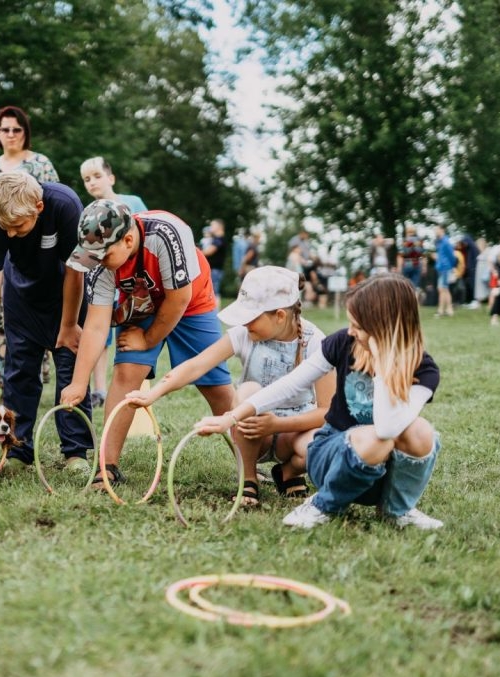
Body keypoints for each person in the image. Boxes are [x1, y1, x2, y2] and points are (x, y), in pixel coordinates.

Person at [195, 274, 444, 530]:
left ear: (383, 328)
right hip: (331, 458)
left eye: (358, 326)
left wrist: (382, 364)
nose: (351, 331)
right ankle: (322, 504)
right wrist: (231, 417)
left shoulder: (424, 370)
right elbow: (290, 384)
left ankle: (396, 510)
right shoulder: (342, 343)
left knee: (421, 431)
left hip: (380, 474)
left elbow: (388, 428)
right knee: (373, 440)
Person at [60, 200, 234, 488]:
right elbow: (95, 325)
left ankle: (251, 463)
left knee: (215, 384)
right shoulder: (99, 262)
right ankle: (108, 464)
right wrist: (80, 383)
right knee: (127, 373)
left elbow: (178, 300)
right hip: (141, 302)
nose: (97, 263)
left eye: (103, 256)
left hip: (191, 302)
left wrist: (149, 338)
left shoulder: (167, 234)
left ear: (128, 240)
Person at [126, 266, 334, 506]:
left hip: (294, 430)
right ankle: (249, 479)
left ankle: (289, 472)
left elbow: (326, 412)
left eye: (251, 318)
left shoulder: (316, 342)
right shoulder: (244, 335)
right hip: (252, 430)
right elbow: (196, 365)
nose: (245, 324)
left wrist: (277, 424)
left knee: (317, 445)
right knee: (248, 391)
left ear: (279, 316)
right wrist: (153, 393)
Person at [0, 171, 94, 473]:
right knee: (19, 372)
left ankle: (76, 452)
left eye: (17, 227)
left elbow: (77, 271)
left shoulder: (66, 205)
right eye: (4, 228)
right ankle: (17, 449)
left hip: (68, 296)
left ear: (38, 207)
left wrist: (67, 326)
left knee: (70, 369)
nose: (10, 234)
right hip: (22, 298)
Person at [79, 155, 148, 407]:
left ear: (111, 177)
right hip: (107, 279)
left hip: (134, 282)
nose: (92, 183)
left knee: (127, 330)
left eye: (97, 176)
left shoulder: (133, 203)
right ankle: (99, 389)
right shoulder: (91, 213)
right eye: (87, 179)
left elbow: (145, 236)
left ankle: (130, 383)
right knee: (101, 332)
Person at [0, 105, 58, 209]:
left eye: (17, 130)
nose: (11, 135)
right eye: (5, 130)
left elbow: (56, 203)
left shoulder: (42, 163)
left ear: (25, 133)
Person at [202, 219, 228, 306]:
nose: (210, 228)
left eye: (212, 225)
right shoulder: (216, 239)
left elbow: (209, 251)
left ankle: (215, 311)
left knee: (214, 292)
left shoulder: (219, 239)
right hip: (215, 269)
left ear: (219, 227)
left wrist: (197, 252)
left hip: (215, 270)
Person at [432, 225, 456, 317]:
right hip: (440, 267)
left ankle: (441, 310)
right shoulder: (439, 242)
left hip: (446, 268)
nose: (435, 231)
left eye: (436, 230)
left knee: (443, 288)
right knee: (443, 289)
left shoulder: (446, 242)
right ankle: (448, 309)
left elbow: (452, 256)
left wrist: (451, 266)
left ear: (442, 230)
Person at [397, 225, 425, 291]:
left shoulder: (405, 241)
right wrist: (424, 267)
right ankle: (414, 298)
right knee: (414, 286)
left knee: (404, 285)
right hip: (417, 263)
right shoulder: (419, 241)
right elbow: (423, 255)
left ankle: (406, 299)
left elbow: (400, 255)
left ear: (407, 232)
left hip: (407, 263)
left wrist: (399, 267)